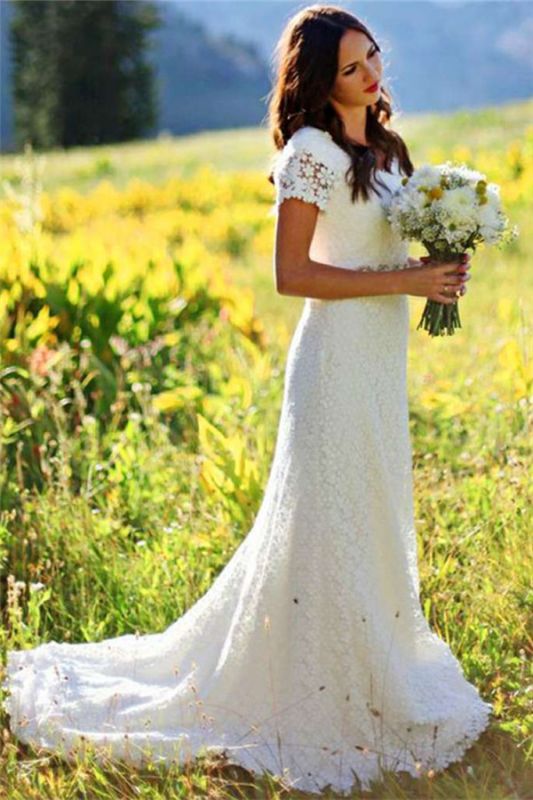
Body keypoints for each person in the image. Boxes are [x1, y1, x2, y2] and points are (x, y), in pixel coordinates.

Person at [2, 4, 492, 796]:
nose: (370, 75)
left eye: (371, 57)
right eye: (349, 68)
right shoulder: (308, 153)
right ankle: (315, 694)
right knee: (324, 518)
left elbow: (381, 246)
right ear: (317, 81)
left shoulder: (384, 144)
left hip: (380, 361)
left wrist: (438, 262)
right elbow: (291, 275)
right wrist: (404, 280)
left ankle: (374, 667)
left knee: (370, 507)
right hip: (332, 364)